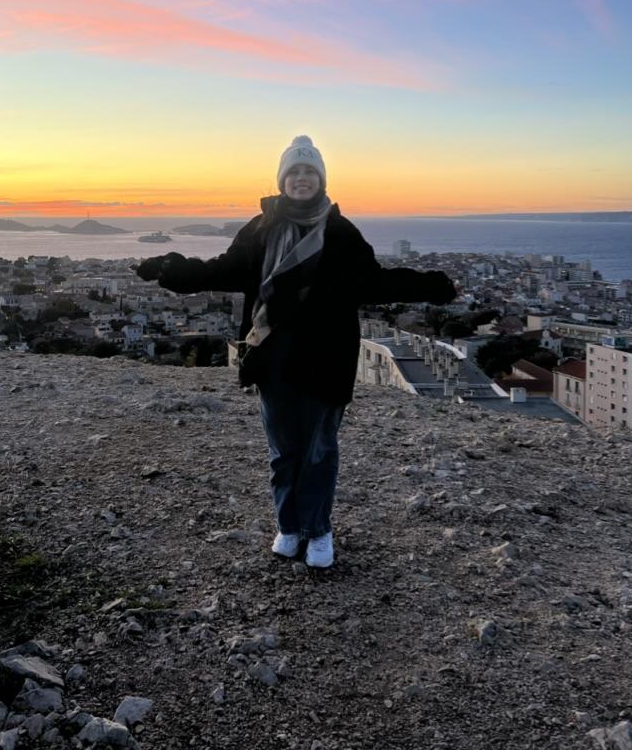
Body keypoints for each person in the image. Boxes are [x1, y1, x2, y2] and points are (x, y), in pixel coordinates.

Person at [136, 136, 456, 568]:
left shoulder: (341, 232)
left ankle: (318, 530)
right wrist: (169, 269)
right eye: (294, 172)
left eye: (309, 172)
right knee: (284, 450)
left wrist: (431, 286)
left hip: (327, 357)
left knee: (319, 450)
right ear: (282, 180)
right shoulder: (260, 228)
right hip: (273, 357)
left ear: (321, 180)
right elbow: (222, 270)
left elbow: (374, 282)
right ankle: (289, 526)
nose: (302, 178)